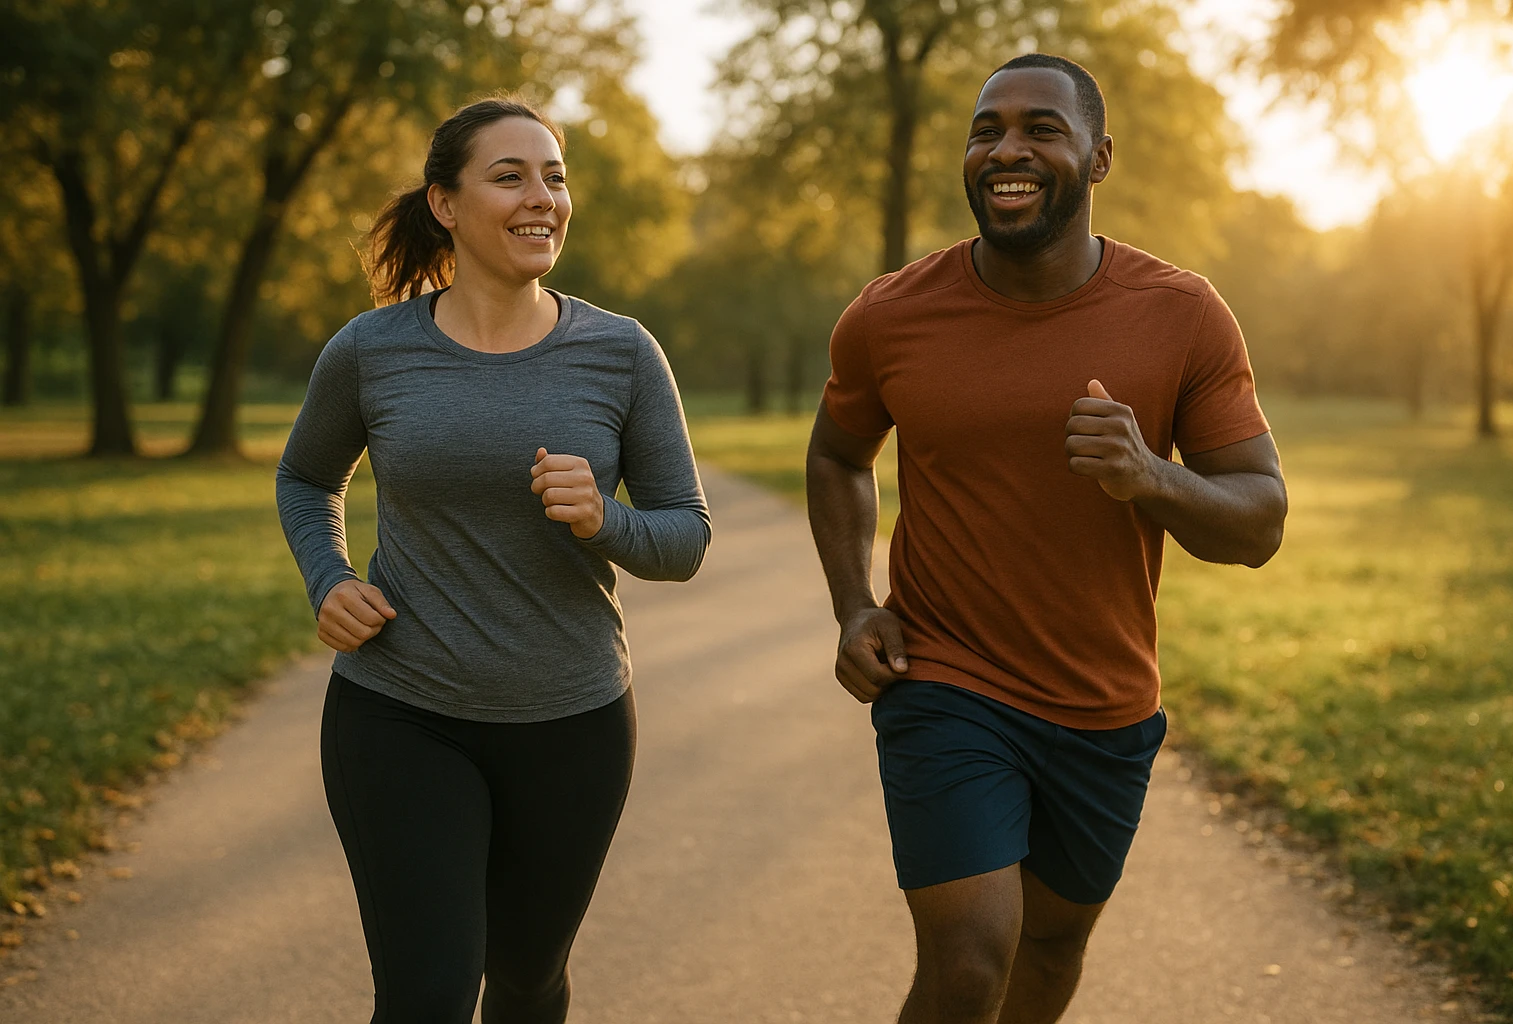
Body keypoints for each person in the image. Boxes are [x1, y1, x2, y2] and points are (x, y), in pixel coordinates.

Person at [805, 54, 1287, 1024]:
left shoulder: (1183, 313)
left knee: (1053, 945)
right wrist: (855, 604)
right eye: (986, 131)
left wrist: (1150, 475)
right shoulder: (891, 313)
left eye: (1041, 129)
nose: (1007, 149)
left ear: (1098, 158)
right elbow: (837, 455)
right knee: (971, 960)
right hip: (945, 679)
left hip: (1104, 702)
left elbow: (1260, 521)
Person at [276, 96, 710, 1024]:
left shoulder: (621, 352)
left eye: (554, 177)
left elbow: (686, 536)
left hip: (573, 724)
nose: (541, 197)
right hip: (400, 712)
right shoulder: (372, 349)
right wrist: (330, 577)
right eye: (509, 177)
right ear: (445, 203)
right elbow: (306, 478)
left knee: (525, 980)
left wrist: (604, 521)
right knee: (428, 994)